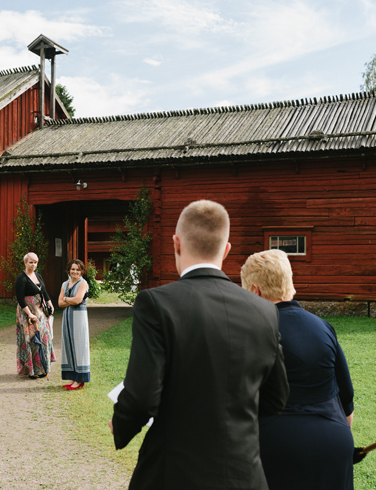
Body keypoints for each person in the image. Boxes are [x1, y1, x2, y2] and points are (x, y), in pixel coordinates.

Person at [110, 200, 289, 489]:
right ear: (227, 250)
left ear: (176, 244)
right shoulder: (265, 311)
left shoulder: (157, 303)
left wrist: (122, 423)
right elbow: (276, 398)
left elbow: (143, 395)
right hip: (243, 474)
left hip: (174, 473)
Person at [241, 249, 355, 490]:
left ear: (254, 290)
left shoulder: (249, 332)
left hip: (275, 447)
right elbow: (347, 402)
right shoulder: (324, 327)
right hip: (334, 444)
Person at [14, 252, 55, 378]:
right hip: (27, 312)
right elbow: (20, 299)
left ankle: (43, 368)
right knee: (32, 339)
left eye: (35, 262)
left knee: (44, 337)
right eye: (30, 262)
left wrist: (50, 304)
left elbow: (44, 291)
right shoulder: (21, 278)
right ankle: (32, 371)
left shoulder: (38, 275)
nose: (33, 264)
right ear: (25, 263)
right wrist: (30, 314)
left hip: (40, 311)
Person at [57, 259, 90, 390]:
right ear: (68, 270)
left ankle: (80, 379)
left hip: (79, 317)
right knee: (69, 345)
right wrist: (69, 300)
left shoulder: (83, 283)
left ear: (81, 271)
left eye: (78, 269)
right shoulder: (65, 284)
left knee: (79, 345)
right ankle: (72, 377)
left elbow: (78, 300)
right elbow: (59, 303)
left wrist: (65, 299)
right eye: (73, 269)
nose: (75, 272)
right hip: (67, 317)